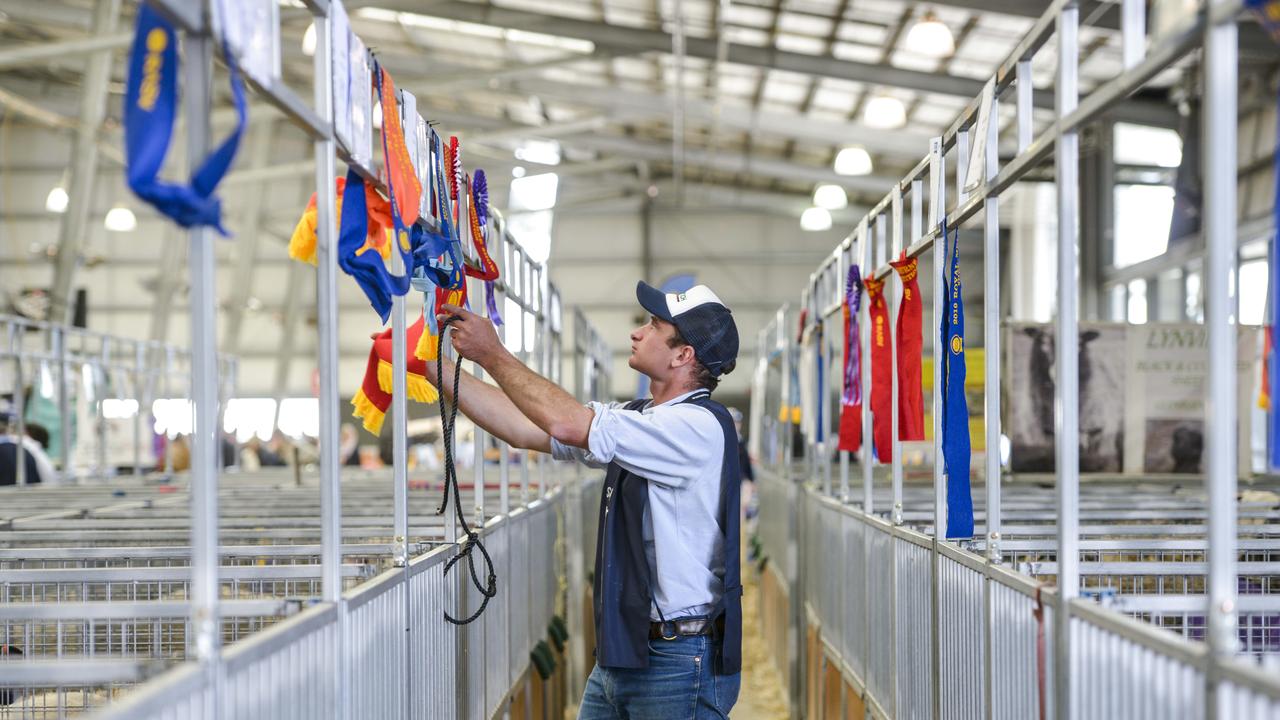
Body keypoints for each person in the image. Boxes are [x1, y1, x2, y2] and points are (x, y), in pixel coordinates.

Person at [427, 282, 743, 719]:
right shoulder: (640, 418)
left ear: (682, 355)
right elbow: (525, 427)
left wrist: (493, 355)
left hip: (676, 658)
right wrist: (430, 367)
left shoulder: (696, 427)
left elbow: (565, 423)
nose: (637, 333)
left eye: (653, 326)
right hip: (626, 650)